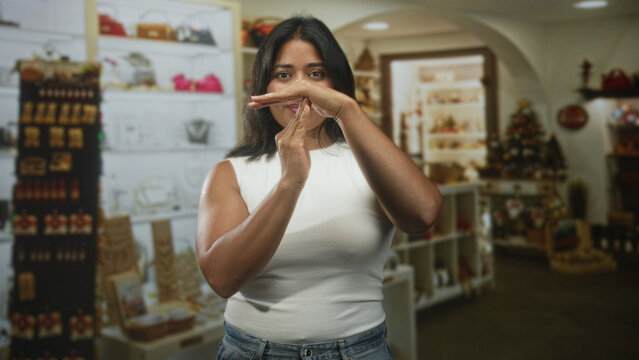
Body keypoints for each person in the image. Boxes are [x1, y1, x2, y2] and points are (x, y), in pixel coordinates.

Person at [196, 16, 442, 360]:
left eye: (316, 74)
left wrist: (346, 110)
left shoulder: (366, 160)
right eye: (284, 75)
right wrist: (289, 183)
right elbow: (222, 279)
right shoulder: (231, 172)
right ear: (262, 88)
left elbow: (422, 215)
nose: (302, 88)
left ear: (337, 82)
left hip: (359, 351)